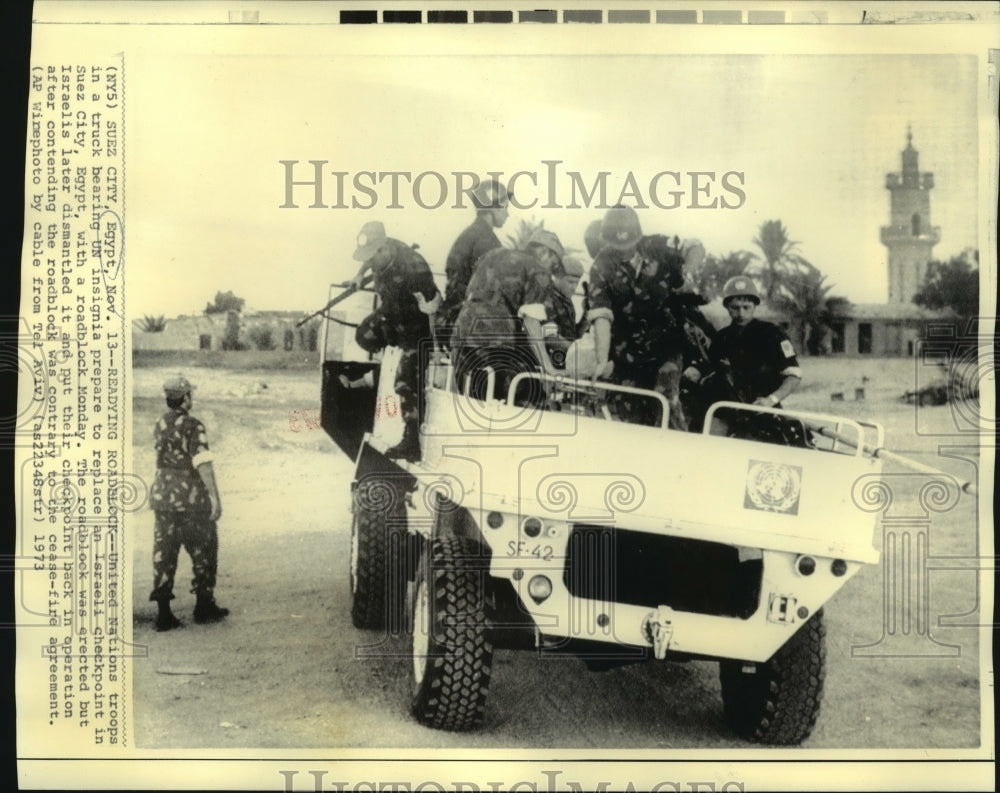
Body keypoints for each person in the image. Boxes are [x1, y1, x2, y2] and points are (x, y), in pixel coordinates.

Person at [348, 220, 441, 461]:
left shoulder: (415, 268)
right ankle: (384, 370)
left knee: (406, 380)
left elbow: (433, 308)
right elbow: (370, 261)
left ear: (384, 248)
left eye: (373, 255)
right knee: (363, 334)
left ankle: (411, 440)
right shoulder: (380, 254)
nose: (370, 260)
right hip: (393, 314)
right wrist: (359, 275)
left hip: (418, 327)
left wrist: (434, 348)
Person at [586, 209, 688, 428]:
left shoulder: (659, 246)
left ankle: (682, 454)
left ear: (638, 237)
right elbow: (601, 315)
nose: (623, 252)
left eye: (628, 246)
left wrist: (685, 275)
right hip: (627, 351)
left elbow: (694, 246)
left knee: (666, 403)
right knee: (626, 413)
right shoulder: (600, 265)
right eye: (617, 247)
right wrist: (602, 359)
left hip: (665, 345)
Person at [149, 375, 228, 631]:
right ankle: (204, 606)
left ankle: (163, 614)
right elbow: (202, 461)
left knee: (164, 552)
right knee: (204, 549)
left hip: (162, 497)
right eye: (189, 395)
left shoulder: (160, 423)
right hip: (191, 499)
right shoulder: (193, 425)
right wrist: (214, 496)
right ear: (185, 398)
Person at [450, 228, 563, 401]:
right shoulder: (538, 269)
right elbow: (531, 322)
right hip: (493, 338)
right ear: (544, 251)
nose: (552, 270)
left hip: (462, 331)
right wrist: (548, 367)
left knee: (468, 400)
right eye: (553, 263)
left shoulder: (494, 254)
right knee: (522, 398)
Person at [684, 276, 803, 439]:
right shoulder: (721, 338)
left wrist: (771, 400)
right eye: (735, 308)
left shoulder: (773, 333)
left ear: (755, 305)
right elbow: (706, 365)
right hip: (725, 411)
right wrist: (694, 370)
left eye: (746, 307)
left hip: (762, 411)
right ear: (727, 307)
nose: (741, 313)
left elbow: (793, 375)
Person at [437, 177, 510, 336]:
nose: (508, 214)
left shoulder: (470, 234)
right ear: (494, 208)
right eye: (505, 207)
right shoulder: (486, 240)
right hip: (470, 324)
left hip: (452, 317)